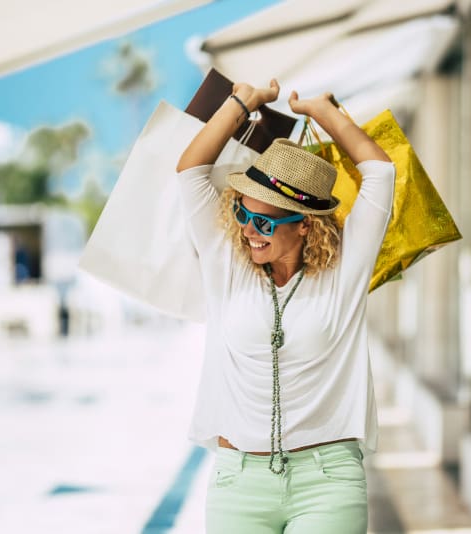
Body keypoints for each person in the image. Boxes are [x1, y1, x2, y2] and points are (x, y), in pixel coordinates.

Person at [176, 78, 394, 533]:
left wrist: (322, 112)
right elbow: (190, 171)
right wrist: (243, 102)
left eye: (264, 222)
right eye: (242, 212)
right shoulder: (227, 264)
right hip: (239, 480)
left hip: (327, 481)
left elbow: (381, 173)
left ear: (305, 226)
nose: (247, 230)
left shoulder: (344, 273)